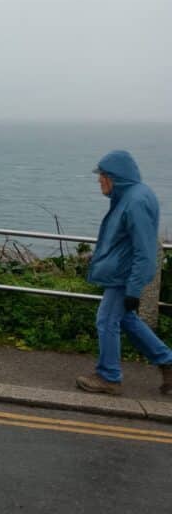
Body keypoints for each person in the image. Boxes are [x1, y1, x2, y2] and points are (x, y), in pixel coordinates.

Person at [76, 149, 172, 396]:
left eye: (103, 175)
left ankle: (109, 377)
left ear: (116, 177)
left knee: (106, 320)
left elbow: (145, 250)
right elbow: (125, 242)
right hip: (123, 273)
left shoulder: (135, 201)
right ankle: (167, 362)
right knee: (127, 320)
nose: (99, 180)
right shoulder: (129, 197)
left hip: (124, 276)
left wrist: (133, 289)